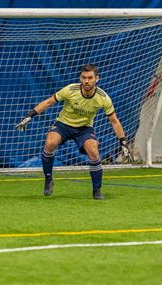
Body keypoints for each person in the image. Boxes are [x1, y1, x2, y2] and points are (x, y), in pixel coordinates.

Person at [15, 64, 132, 200]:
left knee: (94, 151)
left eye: (90, 78)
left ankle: (97, 190)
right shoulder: (70, 90)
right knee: (50, 143)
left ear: (97, 79)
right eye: (84, 77)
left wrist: (123, 143)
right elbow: (48, 102)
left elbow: (114, 121)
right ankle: (48, 178)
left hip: (84, 129)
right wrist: (30, 115)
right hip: (63, 125)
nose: (86, 81)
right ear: (80, 78)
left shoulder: (103, 98)